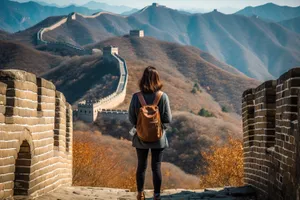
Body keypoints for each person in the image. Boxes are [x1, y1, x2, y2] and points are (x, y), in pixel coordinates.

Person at [128, 66, 172, 200]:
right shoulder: (162, 96)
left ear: (143, 79)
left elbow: (131, 118)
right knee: (156, 166)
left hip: (140, 138)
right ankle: (156, 195)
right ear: (157, 79)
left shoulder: (136, 97)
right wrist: (159, 127)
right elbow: (168, 118)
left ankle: (140, 194)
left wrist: (141, 126)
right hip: (158, 138)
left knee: (141, 166)